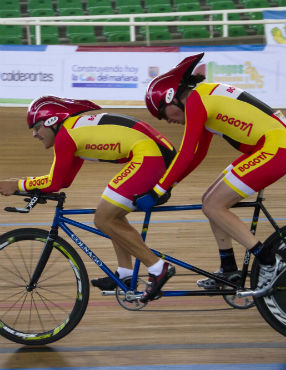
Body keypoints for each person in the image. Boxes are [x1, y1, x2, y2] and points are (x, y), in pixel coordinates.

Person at [135, 52, 286, 291]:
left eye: (163, 114)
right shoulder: (200, 99)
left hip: (276, 148)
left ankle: (269, 261)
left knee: (214, 205)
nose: (166, 121)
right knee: (209, 201)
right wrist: (168, 185)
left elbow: (185, 153)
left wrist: (158, 189)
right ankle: (229, 270)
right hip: (271, 146)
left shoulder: (196, 102)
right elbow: (196, 155)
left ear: (173, 99)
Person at [0, 96, 176, 302]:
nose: (35, 134)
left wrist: (17, 184)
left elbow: (54, 183)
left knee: (103, 218)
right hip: (156, 154)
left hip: (151, 157)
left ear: (51, 122)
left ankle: (157, 267)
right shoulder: (72, 132)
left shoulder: (66, 137)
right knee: (112, 213)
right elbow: (64, 181)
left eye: (36, 127)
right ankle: (126, 275)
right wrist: (29, 186)